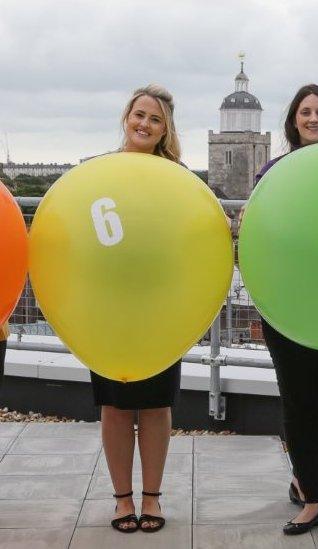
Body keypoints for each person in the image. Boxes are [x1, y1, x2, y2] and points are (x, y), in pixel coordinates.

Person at [252, 84, 318, 536]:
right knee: (299, 398)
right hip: (287, 303)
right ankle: (314, 499)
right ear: (293, 121)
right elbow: (261, 230)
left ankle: (301, 470)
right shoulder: (274, 172)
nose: (313, 118)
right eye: (305, 112)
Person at [94, 84, 182, 534]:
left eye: (155, 119)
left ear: (165, 129)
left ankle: (152, 497)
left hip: (161, 309)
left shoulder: (177, 177)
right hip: (109, 308)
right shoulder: (99, 173)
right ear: (126, 117)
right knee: (114, 405)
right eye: (139, 115)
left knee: (154, 405)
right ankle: (121, 498)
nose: (144, 124)